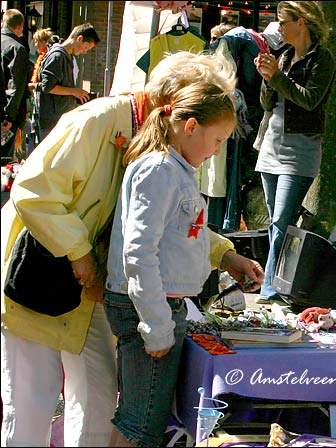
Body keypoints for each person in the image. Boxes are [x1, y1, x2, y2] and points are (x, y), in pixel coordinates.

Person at [0, 51, 264, 447]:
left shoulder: (164, 149)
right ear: (177, 104)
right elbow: (34, 192)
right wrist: (81, 256)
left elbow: (167, 224)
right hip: (40, 281)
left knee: (98, 402)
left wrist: (223, 253)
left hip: (98, 290)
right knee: (31, 402)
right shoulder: (97, 121)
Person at [104, 68, 238, 447]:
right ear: (191, 126)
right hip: (149, 307)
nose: (216, 151)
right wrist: (158, 324)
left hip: (159, 305)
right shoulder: (160, 169)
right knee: (141, 421)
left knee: (142, 416)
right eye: (217, 140)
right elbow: (139, 251)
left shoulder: (171, 168)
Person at [253, 1, 336, 304]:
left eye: (282, 21)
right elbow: (267, 104)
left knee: (280, 219)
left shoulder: (322, 59)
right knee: (277, 221)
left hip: (299, 148)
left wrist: (276, 76)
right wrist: (267, 77)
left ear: (300, 22)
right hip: (271, 144)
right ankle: (281, 281)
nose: (278, 27)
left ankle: (271, 288)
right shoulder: (284, 56)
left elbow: (310, 100)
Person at [38, 22, 100, 142]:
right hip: (52, 120)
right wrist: (74, 92)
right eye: (86, 47)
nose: (84, 52)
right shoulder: (57, 56)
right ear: (79, 38)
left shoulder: (67, 57)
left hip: (59, 117)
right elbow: (48, 86)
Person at [1, 9, 32, 162]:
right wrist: (9, 116)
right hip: (5, 116)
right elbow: (16, 85)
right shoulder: (17, 48)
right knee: (5, 160)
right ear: (20, 26)